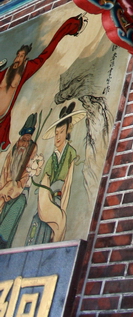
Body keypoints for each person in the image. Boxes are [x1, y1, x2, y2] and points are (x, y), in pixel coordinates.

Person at [0, 15, 85, 151]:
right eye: (17, 55)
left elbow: (46, 53)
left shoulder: (27, 68)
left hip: (2, 120)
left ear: (25, 58)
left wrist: (67, 29)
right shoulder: (4, 73)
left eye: (21, 56)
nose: (17, 59)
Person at [26, 102, 84, 245]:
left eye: (61, 132)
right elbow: (45, 182)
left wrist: (62, 208)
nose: (57, 137)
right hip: (47, 199)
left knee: (58, 226)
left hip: (60, 199)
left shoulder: (71, 153)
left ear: (68, 131)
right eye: (56, 133)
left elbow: (68, 184)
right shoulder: (51, 159)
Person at [0, 113, 40, 249]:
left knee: (17, 207)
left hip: (19, 193)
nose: (24, 144)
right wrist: (5, 192)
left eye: (27, 141)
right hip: (4, 193)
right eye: (23, 140)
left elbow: (25, 177)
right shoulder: (12, 153)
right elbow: (4, 175)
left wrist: (12, 190)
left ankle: (2, 240)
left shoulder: (31, 153)